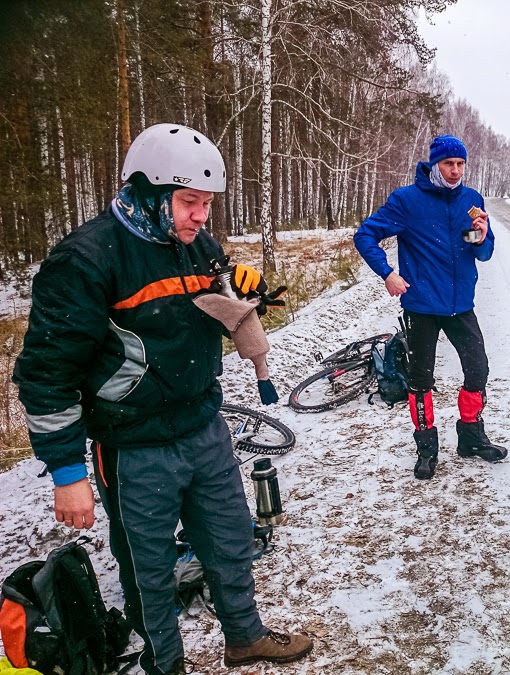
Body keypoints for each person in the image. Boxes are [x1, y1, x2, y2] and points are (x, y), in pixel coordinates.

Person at [13, 123, 311, 673]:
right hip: (133, 444)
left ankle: (244, 638)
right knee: (149, 571)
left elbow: (202, 316)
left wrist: (239, 298)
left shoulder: (196, 244)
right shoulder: (85, 259)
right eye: (189, 202)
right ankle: (165, 664)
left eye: (207, 203)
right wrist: (65, 471)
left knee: (230, 542)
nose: (202, 216)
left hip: (203, 423)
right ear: (148, 193)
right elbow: (45, 372)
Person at [354, 134, 507, 480]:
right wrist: (388, 273)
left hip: (460, 305)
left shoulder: (471, 199)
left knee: (478, 368)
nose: (455, 171)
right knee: (421, 379)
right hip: (422, 305)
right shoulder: (407, 201)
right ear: (434, 164)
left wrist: (482, 236)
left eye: (460, 164)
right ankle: (426, 448)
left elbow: (480, 252)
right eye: (448, 164)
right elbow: (365, 235)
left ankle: (471, 436)